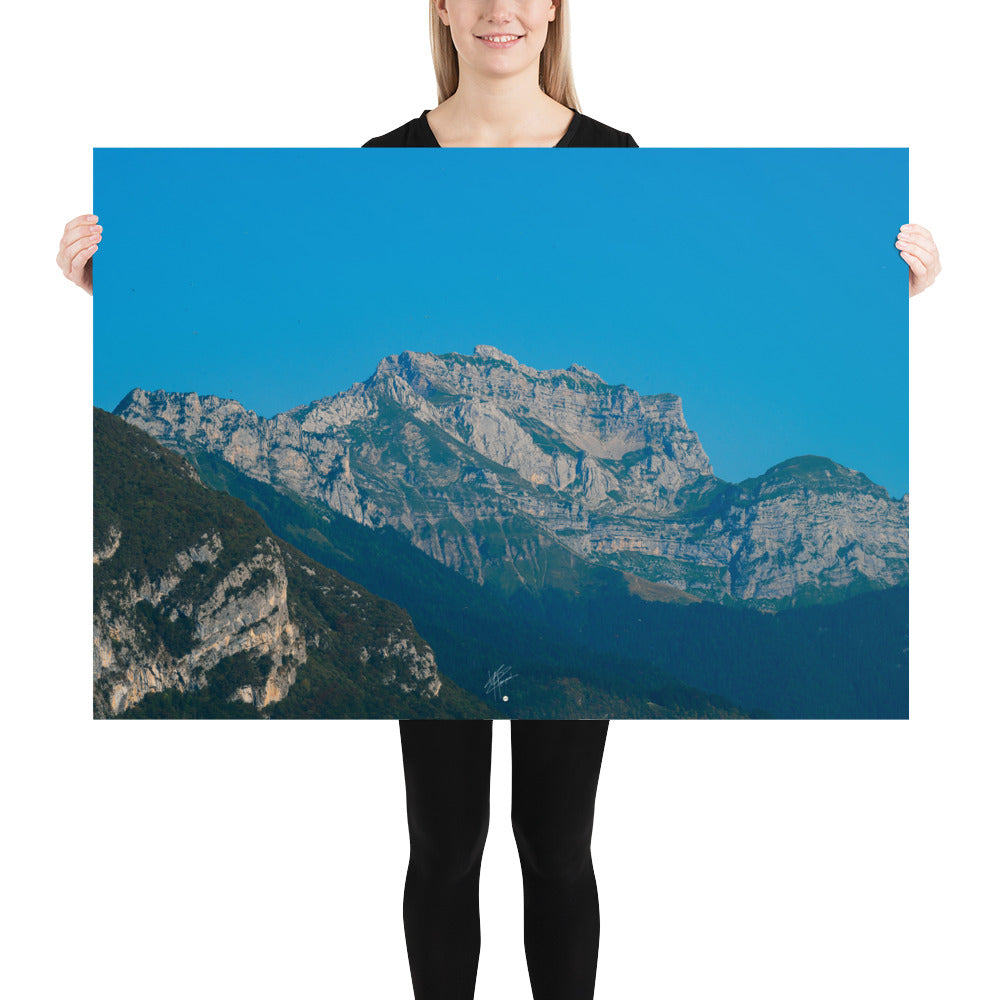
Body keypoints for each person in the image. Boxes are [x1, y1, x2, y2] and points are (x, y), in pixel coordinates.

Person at [64, 3, 940, 998]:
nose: (497, 8)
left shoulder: (616, 157)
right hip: (429, 598)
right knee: (444, 843)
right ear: (436, 5)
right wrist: (113, 284)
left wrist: (889, 296)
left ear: (558, 6)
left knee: (557, 844)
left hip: (564, 604)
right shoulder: (379, 161)